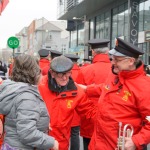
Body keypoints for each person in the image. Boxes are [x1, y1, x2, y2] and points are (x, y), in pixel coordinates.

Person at [83, 38, 150, 150]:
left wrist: (136, 141)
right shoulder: (116, 74)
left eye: (117, 60)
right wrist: (86, 89)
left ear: (131, 61)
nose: (113, 62)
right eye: (112, 58)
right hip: (98, 143)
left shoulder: (144, 87)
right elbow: (105, 88)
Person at [0, 54, 59, 150]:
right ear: (33, 71)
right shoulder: (26, 96)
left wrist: (41, 122)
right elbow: (27, 132)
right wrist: (52, 142)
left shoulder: (15, 90)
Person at [38, 55, 97, 150]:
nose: (65, 78)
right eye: (61, 74)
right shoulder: (39, 86)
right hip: (40, 140)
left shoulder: (77, 92)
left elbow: (90, 113)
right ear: (52, 73)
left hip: (61, 142)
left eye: (68, 73)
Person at [76, 38, 111, 150]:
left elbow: (79, 96)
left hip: (89, 118)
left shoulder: (85, 70)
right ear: (107, 51)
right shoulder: (117, 70)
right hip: (111, 117)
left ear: (93, 52)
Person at [64, 53, 80, 150]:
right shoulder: (82, 71)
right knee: (75, 134)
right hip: (77, 108)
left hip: (64, 107)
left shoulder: (62, 72)